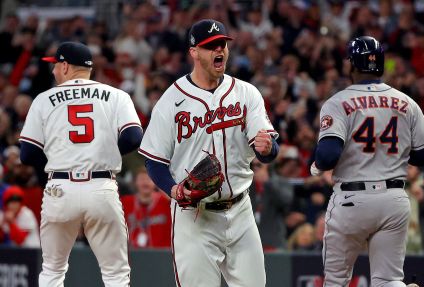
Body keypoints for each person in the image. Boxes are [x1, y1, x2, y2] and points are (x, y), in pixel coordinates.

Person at [139, 19, 279, 287]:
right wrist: (174, 190)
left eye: (222, 44)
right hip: (195, 216)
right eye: (210, 46)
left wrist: (268, 149)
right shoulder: (171, 100)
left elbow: (267, 148)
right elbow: (154, 162)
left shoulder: (246, 92)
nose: (220, 50)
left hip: (240, 210)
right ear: (194, 52)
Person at [310, 36, 424, 287]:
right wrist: (393, 151)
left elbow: (327, 156)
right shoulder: (406, 102)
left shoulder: (338, 102)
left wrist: (317, 166)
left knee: (336, 281)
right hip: (394, 199)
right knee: (388, 280)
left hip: (352, 200)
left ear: (352, 66)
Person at [18, 42, 143, 287]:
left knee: (52, 271)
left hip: (60, 188)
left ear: (65, 66)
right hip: (101, 185)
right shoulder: (117, 96)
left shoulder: (44, 99)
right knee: (115, 275)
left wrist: (57, 165)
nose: (53, 71)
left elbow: (28, 153)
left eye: (55, 65)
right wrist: (103, 152)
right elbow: (133, 137)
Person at [121, 167, 171, 248]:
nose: (145, 183)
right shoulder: (125, 202)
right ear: (135, 182)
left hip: (162, 254)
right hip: (134, 254)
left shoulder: (165, 201)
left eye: (149, 179)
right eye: (141, 179)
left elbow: (177, 202)